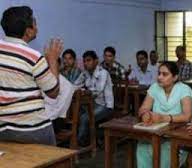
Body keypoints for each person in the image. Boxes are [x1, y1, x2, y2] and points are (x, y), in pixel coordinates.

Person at [0, 6, 63, 145]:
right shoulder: (33, 56)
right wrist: (52, 59)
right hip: (32, 129)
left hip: (2, 129)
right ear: (28, 31)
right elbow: (53, 92)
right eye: (34, 23)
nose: (37, 26)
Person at [137, 61, 192, 168]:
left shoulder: (184, 89)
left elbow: (187, 116)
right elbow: (143, 108)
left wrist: (164, 118)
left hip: (179, 136)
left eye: (165, 74)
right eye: (159, 73)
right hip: (158, 134)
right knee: (142, 147)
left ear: (175, 77)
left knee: (165, 151)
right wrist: (146, 114)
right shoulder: (155, 87)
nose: (160, 77)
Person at [74, 50, 113, 145]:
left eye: (88, 60)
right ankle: (89, 139)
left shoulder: (103, 73)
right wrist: (77, 89)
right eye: (84, 61)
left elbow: (97, 91)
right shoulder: (85, 73)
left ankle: (79, 143)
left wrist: (85, 91)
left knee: (84, 118)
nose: (86, 63)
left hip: (105, 106)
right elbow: (75, 85)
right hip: (92, 104)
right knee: (76, 111)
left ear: (96, 61)